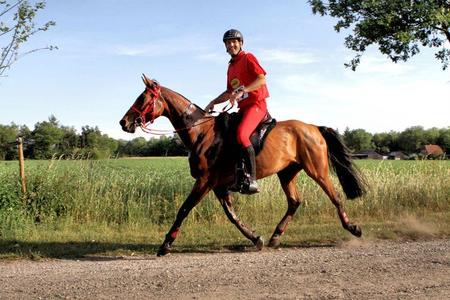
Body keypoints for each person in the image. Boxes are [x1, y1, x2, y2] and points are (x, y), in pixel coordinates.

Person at [205, 29, 269, 194]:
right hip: (243, 108)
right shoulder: (231, 67)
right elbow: (228, 92)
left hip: (257, 105)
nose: (231, 44)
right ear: (225, 46)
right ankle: (238, 175)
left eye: (234, 41)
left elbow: (261, 79)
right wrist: (213, 102)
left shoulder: (248, 57)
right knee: (227, 136)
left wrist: (243, 90)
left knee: (241, 135)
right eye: (228, 42)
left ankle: (252, 180)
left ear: (240, 43)